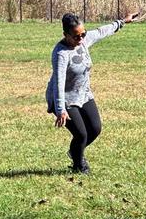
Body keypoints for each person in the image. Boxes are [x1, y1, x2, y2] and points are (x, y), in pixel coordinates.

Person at [46, 11, 139, 174]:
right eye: (76, 36)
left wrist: (123, 21)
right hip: (64, 99)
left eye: (83, 34)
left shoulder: (83, 40)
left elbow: (102, 31)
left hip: (83, 94)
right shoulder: (61, 54)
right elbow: (58, 83)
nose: (81, 39)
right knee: (81, 134)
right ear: (66, 35)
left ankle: (75, 151)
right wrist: (60, 109)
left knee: (95, 129)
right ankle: (79, 165)